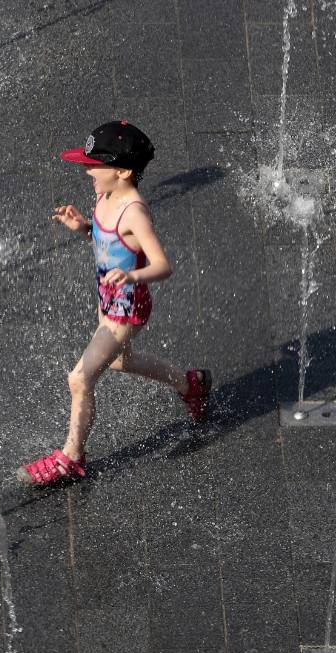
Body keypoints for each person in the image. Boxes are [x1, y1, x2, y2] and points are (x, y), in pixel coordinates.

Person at [18, 121, 211, 486]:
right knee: (120, 361)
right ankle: (190, 384)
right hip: (108, 301)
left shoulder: (134, 212)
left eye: (95, 166)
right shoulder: (106, 197)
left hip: (126, 309)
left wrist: (132, 277)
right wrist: (85, 228)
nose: (89, 171)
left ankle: (71, 457)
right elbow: (109, 239)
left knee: (80, 378)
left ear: (122, 172)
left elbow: (162, 265)